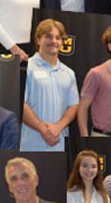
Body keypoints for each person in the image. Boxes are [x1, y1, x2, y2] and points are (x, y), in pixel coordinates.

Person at [20, 19, 79, 151]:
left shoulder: (69, 73)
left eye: (58, 38)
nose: (53, 41)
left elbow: (73, 105)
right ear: (38, 39)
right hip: (31, 143)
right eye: (48, 36)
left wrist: (58, 127)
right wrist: (43, 129)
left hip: (59, 143)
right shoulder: (26, 68)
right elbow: (21, 104)